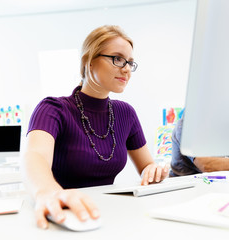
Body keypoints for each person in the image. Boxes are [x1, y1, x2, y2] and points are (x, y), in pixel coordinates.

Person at [22, 25, 169, 229]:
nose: (126, 68)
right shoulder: (53, 109)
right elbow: (35, 156)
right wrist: (47, 191)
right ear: (89, 62)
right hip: (64, 215)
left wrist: (154, 171)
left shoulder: (126, 113)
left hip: (111, 215)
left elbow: (147, 167)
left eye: (130, 63)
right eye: (118, 59)